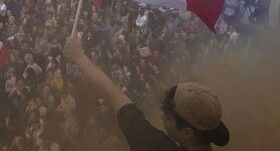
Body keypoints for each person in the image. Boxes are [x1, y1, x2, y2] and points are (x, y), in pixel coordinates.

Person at [64, 34, 230, 151]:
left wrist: (78, 56)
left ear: (188, 133)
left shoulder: (154, 145)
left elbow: (112, 94)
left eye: (167, 118)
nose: (162, 120)